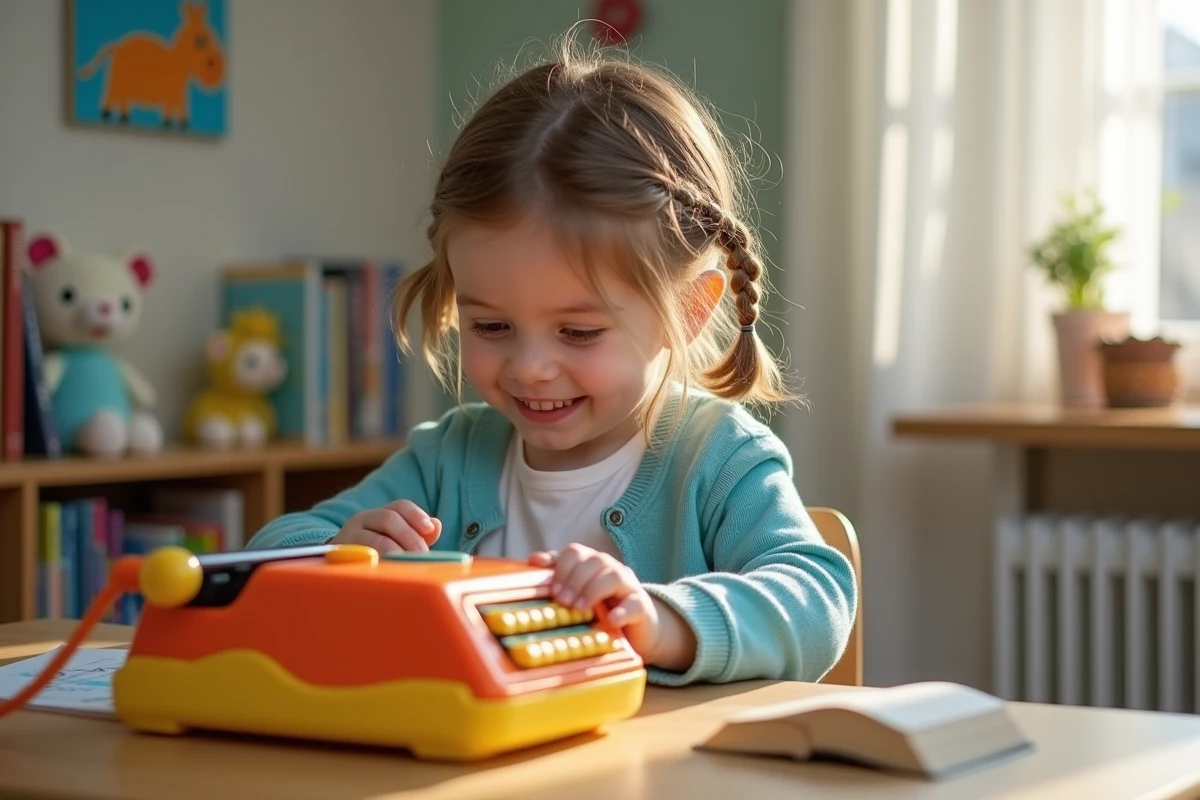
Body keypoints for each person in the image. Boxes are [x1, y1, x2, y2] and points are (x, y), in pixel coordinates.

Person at [246, 30, 857, 687]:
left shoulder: (719, 459)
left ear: (689, 309)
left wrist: (666, 621)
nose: (529, 367)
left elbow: (818, 601)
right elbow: (262, 556)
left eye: (578, 332)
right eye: (492, 325)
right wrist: (334, 554)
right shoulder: (450, 457)